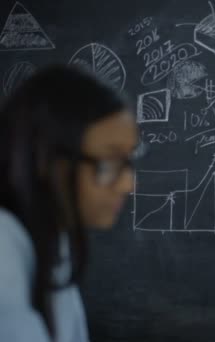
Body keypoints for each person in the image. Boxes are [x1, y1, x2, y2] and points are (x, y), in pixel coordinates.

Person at [0, 65, 139, 341]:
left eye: (129, 160)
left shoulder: (52, 240)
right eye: (109, 163)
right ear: (46, 160)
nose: (128, 184)